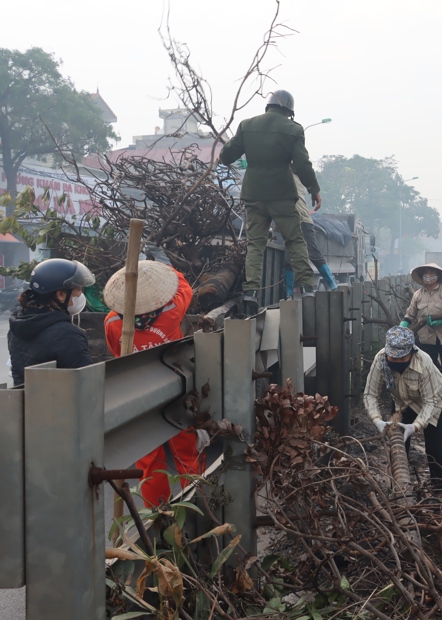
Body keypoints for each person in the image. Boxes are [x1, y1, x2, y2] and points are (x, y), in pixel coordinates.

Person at [102, 247, 205, 506]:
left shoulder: (111, 322)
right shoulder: (170, 312)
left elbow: (118, 355)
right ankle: (194, 505)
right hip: (177, 392)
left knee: (149, 460)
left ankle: (155, 516)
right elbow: (185, 288)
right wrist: (167, 267)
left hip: (137, 396)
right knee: (187, 452)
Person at [218, 90, 319, 314]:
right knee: (294, 240)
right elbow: (302, 165)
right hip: (282, 194)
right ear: (288, 111)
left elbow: (227, 156)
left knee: (255, 244)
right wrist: (314, 189)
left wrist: (222, 154)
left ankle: (251, 292)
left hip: (254, 194)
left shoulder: (247, 125)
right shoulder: (294, 129)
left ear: (269, 106)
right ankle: (307, 287)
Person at [363, 325, 442, 484]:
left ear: (411, 352)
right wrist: (377, 420)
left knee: (433, 449)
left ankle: (438, 489)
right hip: (402, 401)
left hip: (434, 399)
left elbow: (430, 401)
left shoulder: (424, 362)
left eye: (402, 358)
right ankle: (398, 485)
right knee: (397, 444)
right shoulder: (380, 359)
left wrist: (415, 426)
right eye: (393, 358)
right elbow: (370, 394)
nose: (397, 361)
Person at [8, 258, 95, 386]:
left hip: (25, 402)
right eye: (78, 290)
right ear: (60, 294)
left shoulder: (18, 323)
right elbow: (88, 382)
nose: (80, 295)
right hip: (57, 404)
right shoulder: (67, 335)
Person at [401, 263, 442, 390]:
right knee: (428, 366)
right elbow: (410, 314)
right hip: (426, 338)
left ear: (437, 275)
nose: (428, 276)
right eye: (426, 274)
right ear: (422, 277)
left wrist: (441, 320)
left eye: (431, 274)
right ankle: (433, 390)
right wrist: (403, 326)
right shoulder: (418, 295)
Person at [293, 172, 338, 291]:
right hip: (287, 220)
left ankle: (332, 284)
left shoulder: (292, 177)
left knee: (312, 252)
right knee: (289, 258)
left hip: (302, 220)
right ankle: (288, 292)